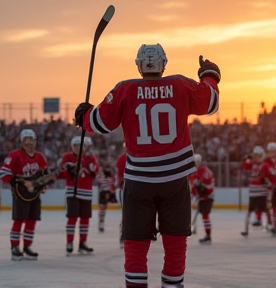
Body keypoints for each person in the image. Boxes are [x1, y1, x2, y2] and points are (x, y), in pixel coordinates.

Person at [75, 43, 220, 287]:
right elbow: (210, 102)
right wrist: (210, 76)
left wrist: (84, 115)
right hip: (175, 181)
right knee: (175, 248)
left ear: (138, 65)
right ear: (164, 64)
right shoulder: (180, 84)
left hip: (139, 181)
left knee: (135, 249)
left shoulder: (125, 89)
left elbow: (99, 123)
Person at [0, 129, 48, 260]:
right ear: (21, 141)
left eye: (31, 140)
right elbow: (3, 173)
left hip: (34, 194)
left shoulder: (39, 157)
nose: (29, 143)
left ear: (35, 141)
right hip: (20, 194)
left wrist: (44, 183)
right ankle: (14, 247)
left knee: (32, 220)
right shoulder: (15, 155)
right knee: (19, 220)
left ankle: (27, 246)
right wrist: (20, 182)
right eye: (26, 140)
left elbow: (44, 174)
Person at [57, 136, 99, 255]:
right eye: (75, 146)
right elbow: (61, 172)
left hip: (86, 192)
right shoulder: (68, 157)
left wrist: (91, 167)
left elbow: (95, 172)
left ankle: (82, 243)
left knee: (85, 219)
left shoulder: (90, 158)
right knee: (72, 218)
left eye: (80, 146)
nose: (77, 148)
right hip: (73, 191)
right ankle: (69, 241)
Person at [240, 146, 271, 237]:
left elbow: (267, 175)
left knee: (265, 209)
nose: (256, 156)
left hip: (261, 190)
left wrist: (266, 181)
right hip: (253, 190)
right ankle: (246, 229)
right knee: (250, 210)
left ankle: (269, 224)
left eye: (257, 155)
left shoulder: (264, 164)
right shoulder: (252, 163)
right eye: (255, 155)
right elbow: (245, 166)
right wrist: (246, 159)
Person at [189, 154, 215, 244]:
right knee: (204, 216)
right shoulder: (195, 172)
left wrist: (202, 192)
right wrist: (195, 192)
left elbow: (209, 188)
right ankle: (206, 234)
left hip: (207, 197)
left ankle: (208, 236)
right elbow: (193, 185)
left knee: (205, 215)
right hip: (202, 197)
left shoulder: (205, 172)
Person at [95, 165, 116, 232]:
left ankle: (101, 222)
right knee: (103, 209)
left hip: (103, 193)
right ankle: (101, 222)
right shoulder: (110, 179)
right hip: (106, 193)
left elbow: (97, 181)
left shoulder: (102, 178)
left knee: (102, 209)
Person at [115, 145, 127, 248]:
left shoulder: (121, 159)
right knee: (127, 213)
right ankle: (124, 235)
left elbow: (118, 177)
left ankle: (125, 235)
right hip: (126, 188)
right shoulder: (122, 159)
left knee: (127, 213)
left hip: (125, 187)